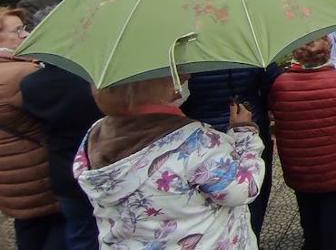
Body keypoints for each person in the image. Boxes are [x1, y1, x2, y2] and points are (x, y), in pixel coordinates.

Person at [74, 75, 264, 248]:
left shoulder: (96, 134)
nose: (184, 77)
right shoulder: (197, 142)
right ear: (161, 84)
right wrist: (244, 133)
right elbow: (244, 188)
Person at [269, 37, 336, 250]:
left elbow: (275, 113)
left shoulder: (281, 85)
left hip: (300, 167)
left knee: (308, 214)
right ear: (327, 53)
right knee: (333, 218)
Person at [183, 67, 280, 235]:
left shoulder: (186, 54)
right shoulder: (250, 44)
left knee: (210, 204)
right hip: (245, 127)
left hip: (203, 137)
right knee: (252, 195)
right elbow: (271, 83)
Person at [0, 8, 66, 250]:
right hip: (35, 168)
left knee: (28, 225)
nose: (25, 35)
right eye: (17, 31)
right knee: (56, 227)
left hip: (9, 172)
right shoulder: (23, 72)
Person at [21, 60, 103, 250]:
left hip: (63, 169)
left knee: (80, 232)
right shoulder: (91, 81)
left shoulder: (30, 85)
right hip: (99, 163)